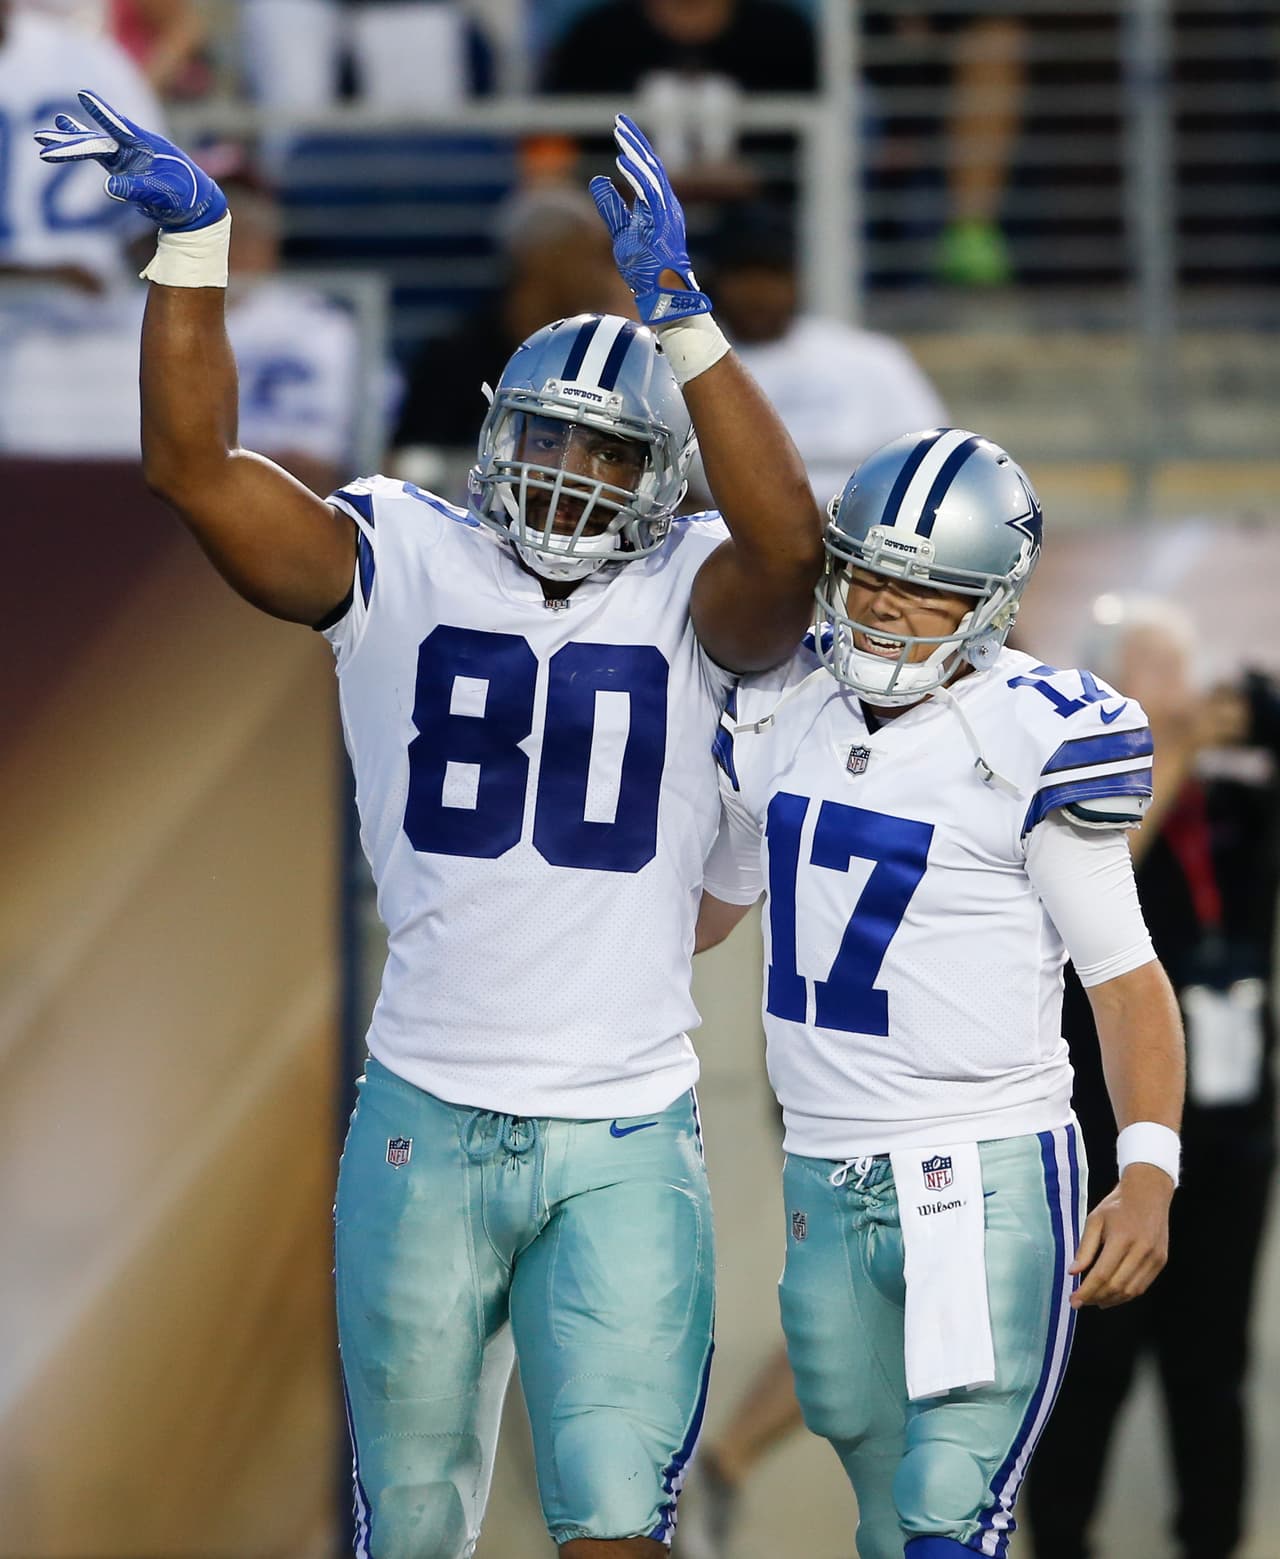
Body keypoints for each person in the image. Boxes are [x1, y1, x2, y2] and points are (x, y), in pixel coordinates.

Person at [34, 96, 823, 1557]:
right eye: (549, 442)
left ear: (659, 476)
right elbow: (194, 471)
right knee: (409, 1526)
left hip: (623, 1122)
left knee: (614, 1523)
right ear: (494, 433)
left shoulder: (696, 586)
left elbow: (793, 546)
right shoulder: (402, 548)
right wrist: (195, 251)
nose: (570, 476)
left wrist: (683, 320)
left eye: (605, 453)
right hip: (426, 1107)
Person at [693, 428, 1185, 1559]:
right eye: (866, 570)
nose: (881, 605)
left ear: (990, 602)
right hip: (822, 1157)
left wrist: (1147, 1168)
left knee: (945, 1510)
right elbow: (704, 912)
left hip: (981, 1164)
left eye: (924, 588)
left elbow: (1123, 982)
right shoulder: (778, 707)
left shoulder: (1031, 734)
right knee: (878, 1497)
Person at [1025, 596, 1279, 1559]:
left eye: (1188, 672)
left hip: (1233, 1128)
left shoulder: (1233, 800)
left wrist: (1251, 710)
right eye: (1156, 673)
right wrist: (1161, 749)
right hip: (1110, 1130)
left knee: (1212, 1370)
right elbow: (1107, 874)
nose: (1184, 693)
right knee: (1092, 1366)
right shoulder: (1080, 803)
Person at [689, 200, 947, 505]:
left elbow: (928, 459)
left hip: (862, 531)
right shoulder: (690, 365)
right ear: (716, 281)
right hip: (728, 532)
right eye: (743, 275)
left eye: (773, 274)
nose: (758, 292)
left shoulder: (872, 357)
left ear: (797, 279)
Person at [388, 180, 635, 494]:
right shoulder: (454, 358)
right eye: (593, 256)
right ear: (543, 259)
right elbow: (405, 465)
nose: (605, 274)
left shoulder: (606, 355)